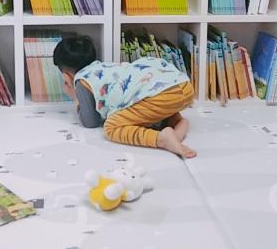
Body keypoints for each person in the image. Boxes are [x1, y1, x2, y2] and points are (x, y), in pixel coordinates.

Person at [53, 35, 196, 158]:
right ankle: (178, 125)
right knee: (141, 107)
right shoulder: (104, 67)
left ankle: (161, 139)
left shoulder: (82, 81)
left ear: (66, 76)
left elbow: (90, 122)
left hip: (162, 96)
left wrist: (76, 97)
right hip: (182, 87)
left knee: (111, 127)